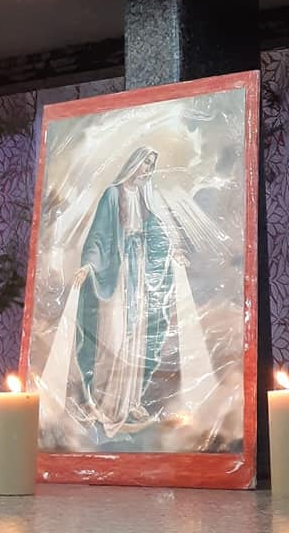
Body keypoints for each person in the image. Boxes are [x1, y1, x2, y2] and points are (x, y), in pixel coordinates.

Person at [72, 147, 187, 437]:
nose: (148, 169)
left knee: (136, 337)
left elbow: (157, 234)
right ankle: (103, 401)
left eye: (151, 164)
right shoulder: (113, 194)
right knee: (113, 334)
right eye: (145, 163)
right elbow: (98, 235)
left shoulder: (144, 198)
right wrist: (88, 265)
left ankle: (130, 401)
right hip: (117, 270)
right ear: (134, 163)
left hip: (139, 271)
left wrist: (172, 253)